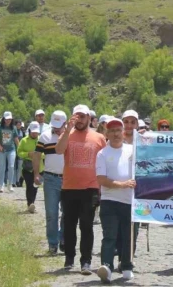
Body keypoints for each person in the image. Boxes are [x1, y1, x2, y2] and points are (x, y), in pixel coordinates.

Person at [55, 105, 107, 275]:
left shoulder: (99, 137)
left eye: (83, 116)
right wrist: (67, 129)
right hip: (69, 187)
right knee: (69, 225)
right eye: (77, 116)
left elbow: (104, 162)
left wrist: (102, 187)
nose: (80, 119)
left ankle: (86, 261)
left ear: (89, 118)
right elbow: (59, 150)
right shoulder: (67, 134)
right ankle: (69, 258)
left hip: (90, 188)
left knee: (86, 226)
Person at [95, 118, 139, 283]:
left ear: (123, 132)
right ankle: (107, 266)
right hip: (109, 201)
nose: (115, 134)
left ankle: (127, 265)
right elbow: (101, 179)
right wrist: (122, 184)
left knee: (129, 236)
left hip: (129, 202)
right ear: (106, 134)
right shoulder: (102, 154)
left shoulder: (132, 150)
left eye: (118, 130)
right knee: (110, 236)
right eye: (112, 131)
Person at [34, 110, 67, 255]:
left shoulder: (70, 137)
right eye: (55, 125)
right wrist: (36, 173)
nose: (56, 128)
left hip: (69, 180)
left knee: (68, 213)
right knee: (51, 213)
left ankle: (64, 239)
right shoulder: (45, 136)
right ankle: (53, 243)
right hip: (50, 178)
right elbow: (36, 155)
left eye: (59, 125)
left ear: (65, 124)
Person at [18, 122, 44, 213]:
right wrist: (28, 154)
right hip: (27, 168)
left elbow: (46, 153)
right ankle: (30, 203)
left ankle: (32, 202)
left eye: (36, 132)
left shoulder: (42, 140)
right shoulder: (24, 140)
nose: (35, 134)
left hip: (39, 168)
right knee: (29, 185)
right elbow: (19, 153)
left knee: (36, 186)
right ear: (29, 131)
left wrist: (38, 155)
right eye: (33, 132)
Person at [0, 111, 19, 193]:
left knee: (11, 166)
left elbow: (15, 138)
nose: (8, 120)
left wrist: (19, 148)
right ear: (4, 119)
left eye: (10, 119)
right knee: (2, 167)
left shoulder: (14, 128)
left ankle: (10, 184)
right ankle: (1, 185)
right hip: (1, 150)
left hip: (11, 149)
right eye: (7, 119)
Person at [13, 119, 25, 187]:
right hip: (14, 150)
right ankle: (13, 181)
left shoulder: (22, 132)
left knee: (20, 166)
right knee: (13, 166)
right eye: (17, 124)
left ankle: (18, 180)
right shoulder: (13, 131)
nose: (18, 126)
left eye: (19, 125)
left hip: (20, 151)